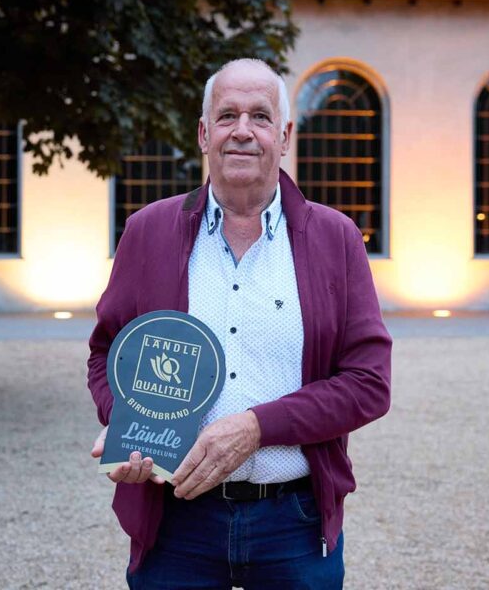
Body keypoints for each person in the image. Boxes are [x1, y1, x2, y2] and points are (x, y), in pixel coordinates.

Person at [88, 58, 392, 589]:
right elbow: (107, 352)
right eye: (227, 115)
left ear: (285, 135)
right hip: (176, 522)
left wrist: (255, 428)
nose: (243, 131)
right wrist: (129, 427)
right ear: (205, 134)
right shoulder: (147, 232)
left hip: (293, 525)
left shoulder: (336, 239)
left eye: (260, 116)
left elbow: (368, 384)